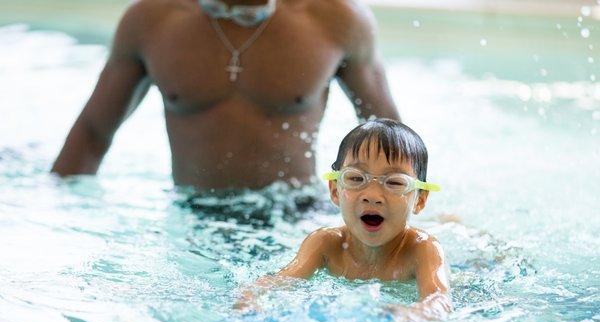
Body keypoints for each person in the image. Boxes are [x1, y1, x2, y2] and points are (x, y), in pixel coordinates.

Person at [51, 0, 400, 190]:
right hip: (193, 214)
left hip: (293, 213)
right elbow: (92, 134)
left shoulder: (338, 19)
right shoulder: (150, 20)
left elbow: (392, 140)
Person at [236, 119, 452, 322]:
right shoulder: (325, 243)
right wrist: (250, 300)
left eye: (395, 182)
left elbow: (440, 301)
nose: (372, 196)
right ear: (334, 190)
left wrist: (412, 315)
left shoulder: (423, 249)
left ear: (420, 199)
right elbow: (279, 282)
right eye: (356, 179)